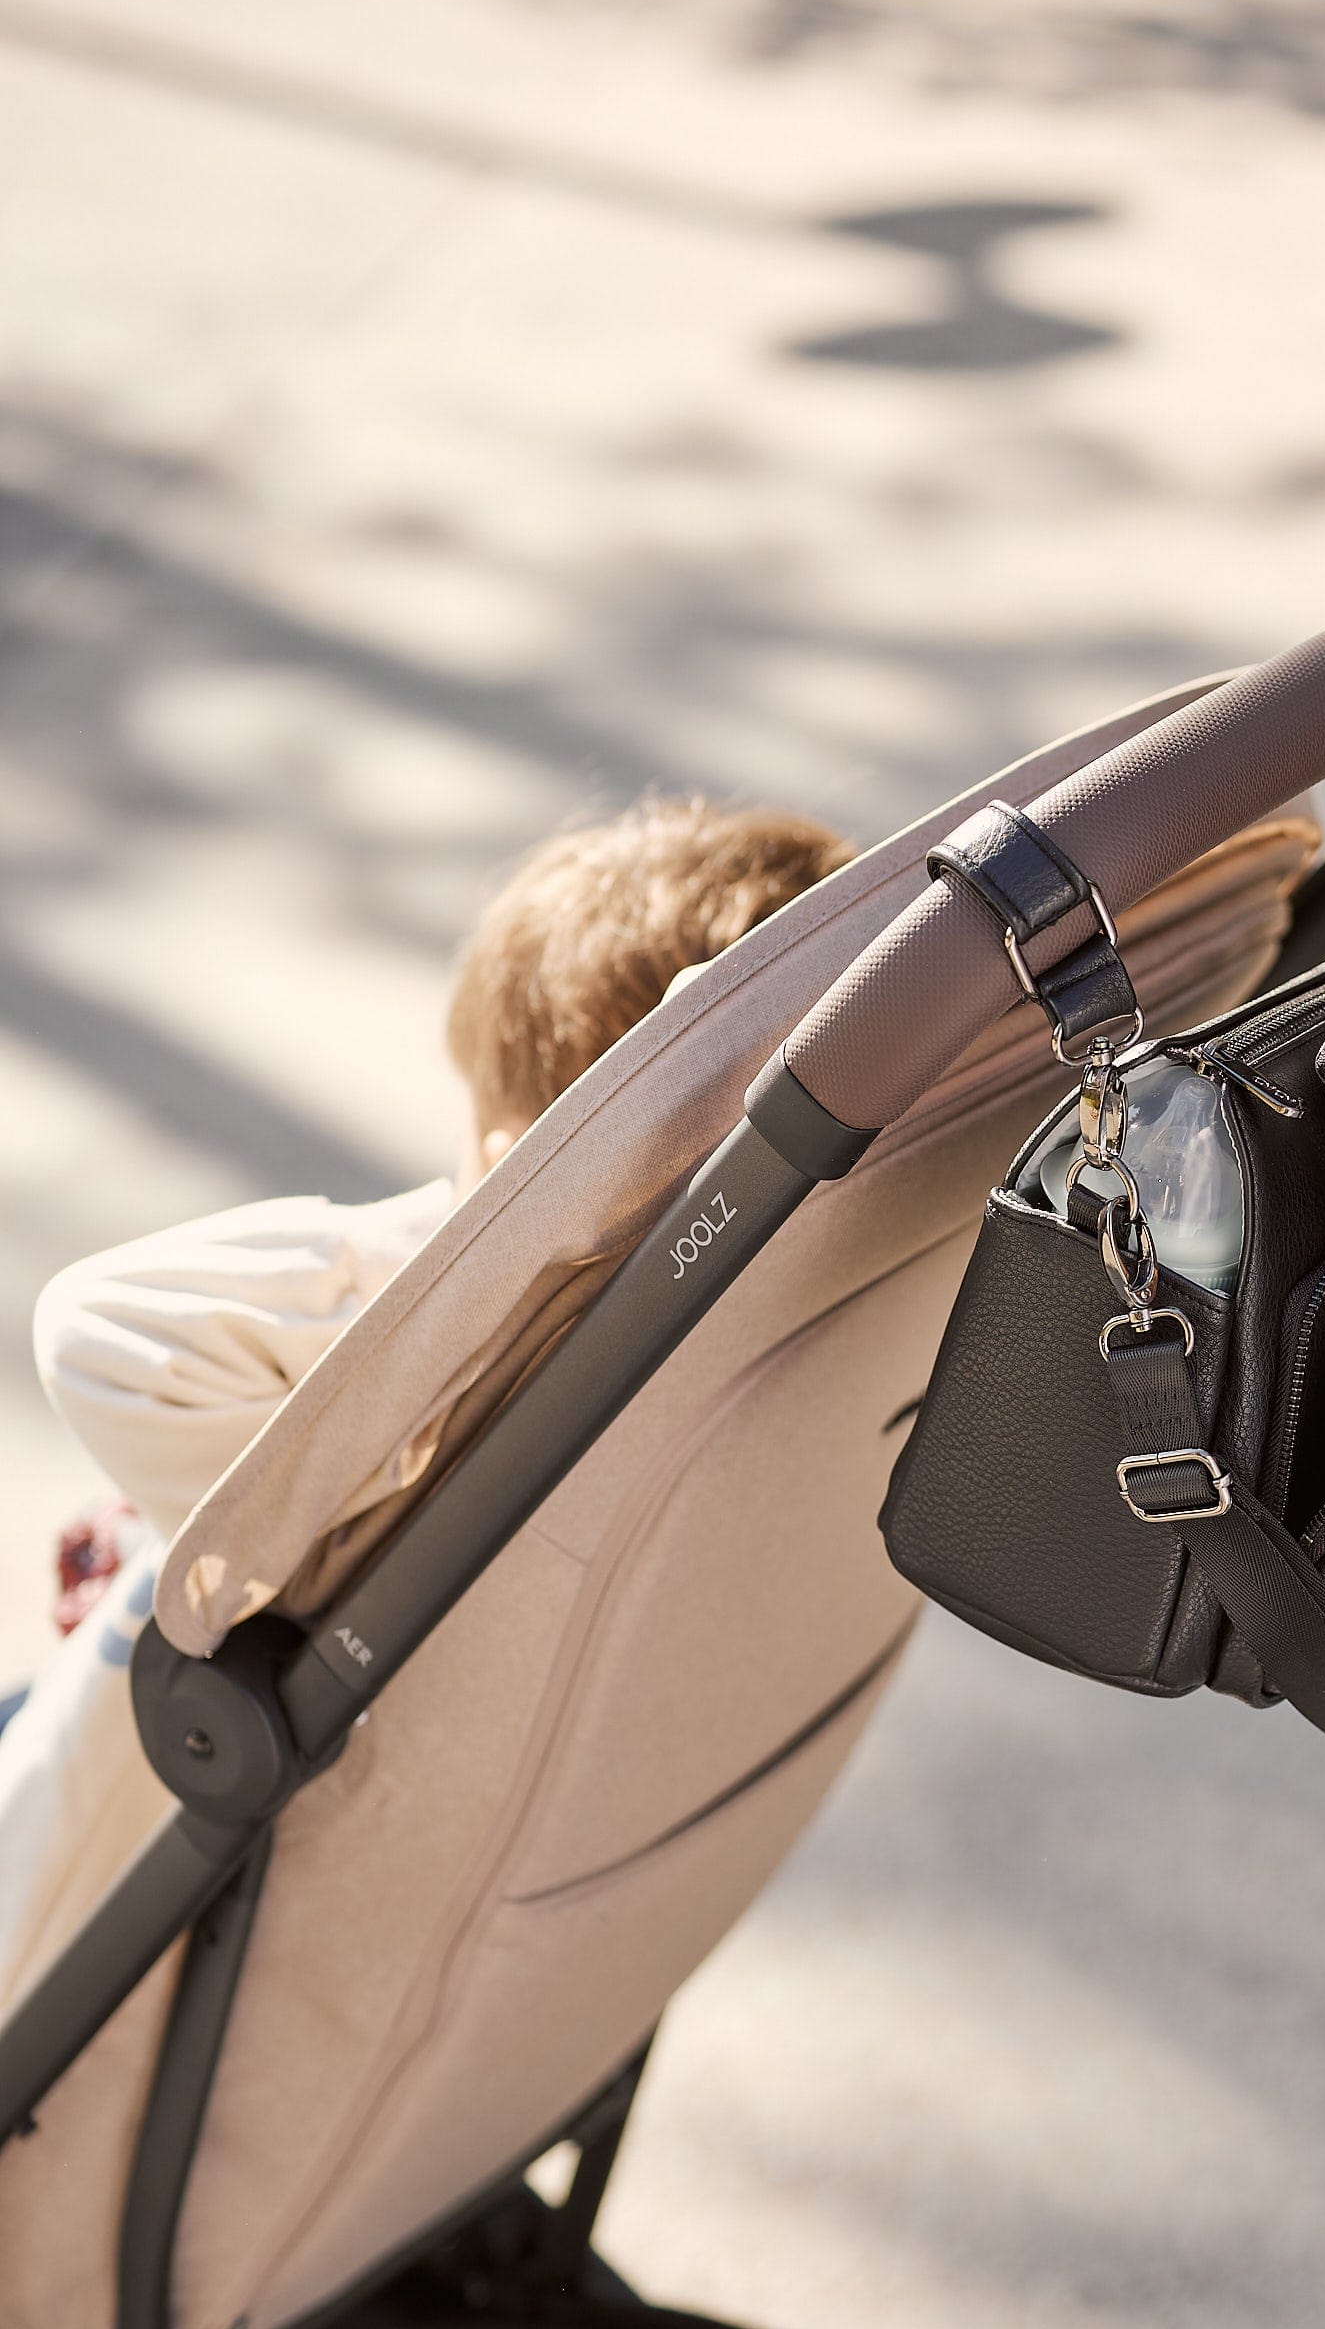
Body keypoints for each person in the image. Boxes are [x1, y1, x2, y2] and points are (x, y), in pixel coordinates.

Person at [0, 796, 852, 2012]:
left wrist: (484, 1247)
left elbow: (101, 1332)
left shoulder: (459, 1430)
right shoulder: (767, 1376)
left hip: (69, 1886)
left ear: (515, 1175)